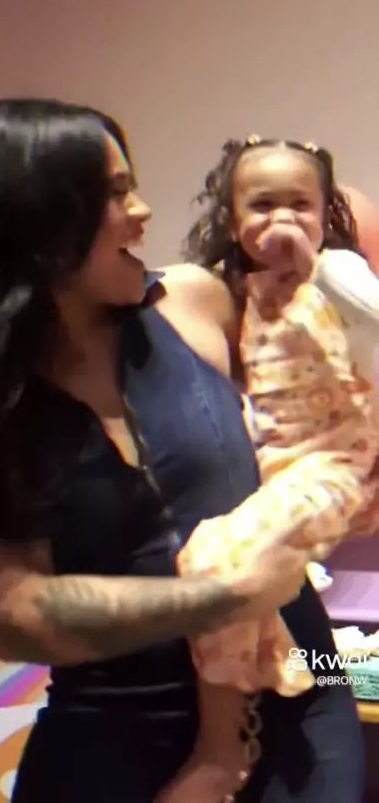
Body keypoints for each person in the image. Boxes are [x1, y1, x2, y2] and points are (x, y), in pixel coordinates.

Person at [0, 102, 355, 803]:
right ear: (36, 221)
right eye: (114, 194)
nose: (142, 212)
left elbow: (327, 359)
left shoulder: (194, 303)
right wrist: (215, 597)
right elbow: (12, 612)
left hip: (311, 681)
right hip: (118, 725)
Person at [160, 136, 379, 802]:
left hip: (333, 622)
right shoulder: (235, 302)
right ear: (233, 222)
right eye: (262, 205)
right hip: (301, 620)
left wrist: (323, 272)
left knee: (222, 562)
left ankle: (224, 742)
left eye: (301, 206)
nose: (283, 221)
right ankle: (237, 722)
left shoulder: (335, 276)